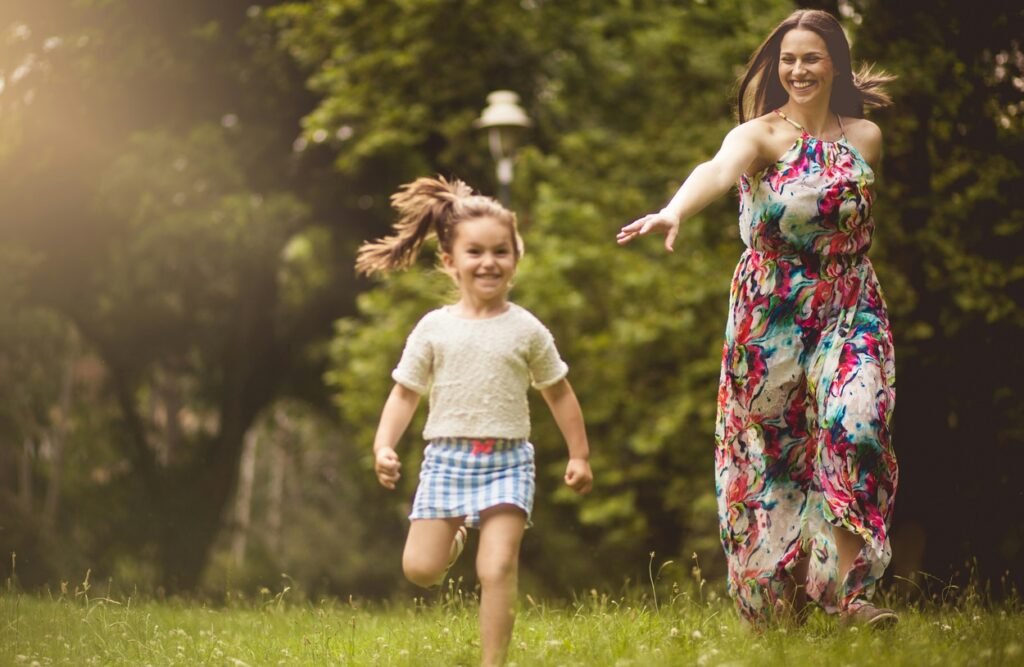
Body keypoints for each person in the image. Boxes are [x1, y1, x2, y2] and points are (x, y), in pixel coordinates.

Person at [617, 9, 898, 629]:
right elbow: (717, 171)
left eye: (812, 58)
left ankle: (845, 595)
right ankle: (780, 599)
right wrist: (674, 211)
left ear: (835, 66)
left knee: (856, 424)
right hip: (769, 310)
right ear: (777, 67)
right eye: (788, 59)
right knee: (773, 456)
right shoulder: (760, 135)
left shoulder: (866, 136)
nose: (798, 69)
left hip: (849, 301)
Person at [356, 176, 594, 665]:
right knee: (421, 569)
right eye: (475, 252)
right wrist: (384, 446)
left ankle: (492, 663)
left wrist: (579, 454)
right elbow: (404, 393)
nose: (489, 262)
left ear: (515, 257)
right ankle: (458, 534)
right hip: (446, 461)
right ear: (450, 261)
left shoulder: (526, 329)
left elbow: (559, 392)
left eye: (501, 251)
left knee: (498, 566)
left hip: (507, 463)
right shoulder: (434, 328)